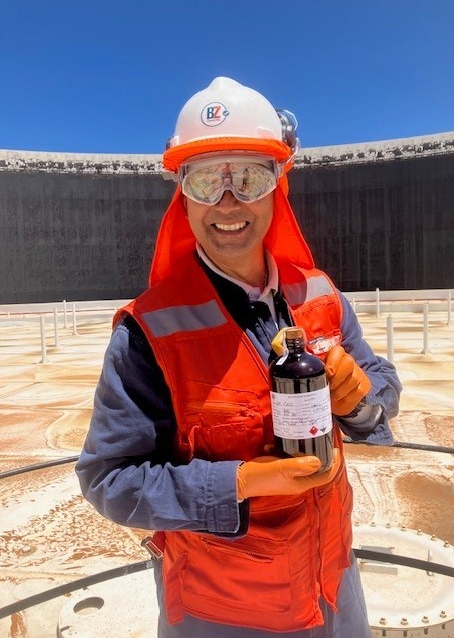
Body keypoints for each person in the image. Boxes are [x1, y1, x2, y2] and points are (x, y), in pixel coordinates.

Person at [76, 76, 402, 637]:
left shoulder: (320, 294)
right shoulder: (148, 332)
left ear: (278, 185)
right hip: (223, 609)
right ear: (182, 192)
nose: (229, 202)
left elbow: (381, 382)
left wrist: (364, 402)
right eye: (206, 181)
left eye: (248, 177)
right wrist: (242, 484)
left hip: (332, 580)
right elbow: (111, 479)